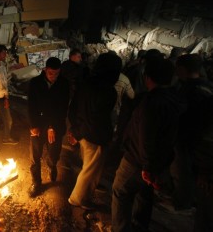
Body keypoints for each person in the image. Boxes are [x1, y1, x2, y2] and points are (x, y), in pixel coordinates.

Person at [111, 58, 185, 232]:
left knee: (120, 192)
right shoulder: (176, 99)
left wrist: (147, 166)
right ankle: (139, 226)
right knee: (144, 194)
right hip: (159, 159)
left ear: (147, 77)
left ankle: (121, 229)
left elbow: (146, 137)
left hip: (137, 160)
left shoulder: (151, 102)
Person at [67, 53, 122, 210]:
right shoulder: (108, 91)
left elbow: (73, 107)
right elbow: (96, 119)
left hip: (84, 132)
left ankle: (88, 188)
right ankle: (78, 198)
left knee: (88, 166)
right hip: (94, 135)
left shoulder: (86, 83)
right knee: (90, 170)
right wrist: (77, 133)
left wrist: (75, 129)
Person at [169, 54, 213, 214]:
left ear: (182, 69)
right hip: (194, 138)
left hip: (187, 137)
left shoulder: (192, 90)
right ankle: (188, 199)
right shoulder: (206, 86)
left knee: (182, 172)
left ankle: (183, 204)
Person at [27, 57, 70, 198]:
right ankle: (36, 182)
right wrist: (33, 126)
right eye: (51, 73)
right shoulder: (35, 83)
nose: (54, 77)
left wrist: (52, 126)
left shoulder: (64, 84)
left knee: (53, 153)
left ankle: (52, 165)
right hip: (38, 125)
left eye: (57, 74)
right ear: (45, 70)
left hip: (55, 126)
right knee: (35, 156)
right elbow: (31, 106)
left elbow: (62, 109)